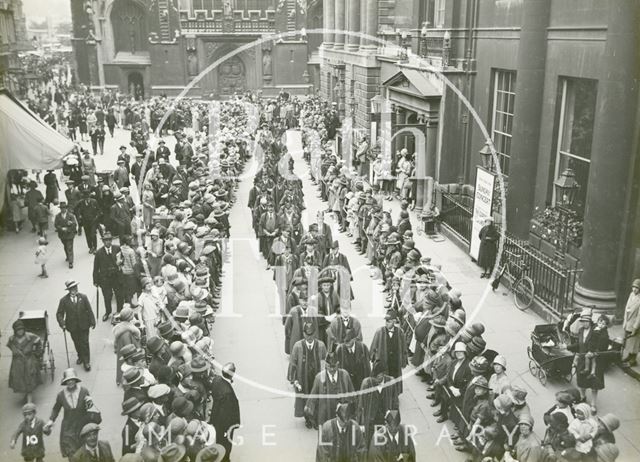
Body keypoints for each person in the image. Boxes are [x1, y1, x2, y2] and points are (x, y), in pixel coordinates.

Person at [44, 369, 100, 459]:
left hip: (82, 426)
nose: (70, 382)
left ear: (75, 380)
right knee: (72, 455)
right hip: (68, 429)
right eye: (68, 380)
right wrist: (51, 420)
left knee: (85, 452)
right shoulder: (61, 395)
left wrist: (93, 417)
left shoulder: (84, 391)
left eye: (72, 379)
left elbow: (91, 407)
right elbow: (56, 409)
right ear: (65, 382)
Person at [305, 352, 355, 428]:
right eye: (329, 366)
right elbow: (313, 398)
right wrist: (309, 412)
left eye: (334, 366)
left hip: (342, 416)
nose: (331, 369)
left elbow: (352, 395)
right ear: (325, 365)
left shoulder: (345, 375)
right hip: (325, 416)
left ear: (338, 364)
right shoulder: (319, 378)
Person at [56, 280, 96, 371]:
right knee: (77, 343)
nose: (75, 289)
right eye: (73, 288)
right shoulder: (63, 301)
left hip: (84, 325)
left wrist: (92, 321)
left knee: (85, 343)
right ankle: (80, 356)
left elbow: (89, 310)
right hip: (72, 326)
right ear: (69, 290)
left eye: (76, 287)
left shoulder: (83, 297)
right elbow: (59, 314)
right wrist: (62, 323)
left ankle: (86, 362)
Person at [369, 310, 408, 394]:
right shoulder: (379, 332)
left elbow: (404, 347)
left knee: (394, 378)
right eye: (386, 321)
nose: (386, 323)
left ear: (394, 321)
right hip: (383, 360)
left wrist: (404, 360)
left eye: (389, 321)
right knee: (384, 378)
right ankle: (384, 395)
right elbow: (374, 345)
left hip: (395, 361)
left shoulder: (400, 332)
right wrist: (373, 357)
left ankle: (394, 395)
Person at [209, 363, 240, 462]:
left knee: (220, 441)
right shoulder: (228, 394)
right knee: (226, 443)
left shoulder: (216, 380)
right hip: (225, 424)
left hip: (217, 418)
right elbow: (227, 413)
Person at [7, 320, 43, 403]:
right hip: (18, 363)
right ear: (15, 331)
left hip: (29, 361)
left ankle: (29, 400)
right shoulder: (12, 339)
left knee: (30, 378)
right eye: (18, 330)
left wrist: (37, 353)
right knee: (21, 380)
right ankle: (27, 394)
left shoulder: (30, 336)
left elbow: (39, 342)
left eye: (21, 329)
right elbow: (10, 346)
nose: (20, 331)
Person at [93, 232, 124, 321]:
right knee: (107, 297)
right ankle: (108, 312)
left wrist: (121, 262)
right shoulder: (99, 253)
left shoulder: (117, 248)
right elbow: (96, 268)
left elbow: (123, 260)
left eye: (109, 240)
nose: (108, 242)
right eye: (106, 240)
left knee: (119, 295)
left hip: (116, 277)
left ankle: (120, 312)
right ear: (103, 241)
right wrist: (95, 280)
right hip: (105, 279)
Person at [54, 201, 78, 268]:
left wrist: (69, 226)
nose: (63, 209)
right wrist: (61, 228)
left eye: (64, 208)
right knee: (65, 246)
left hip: (70, 234)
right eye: (61, 208)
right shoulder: (57, 216)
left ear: (66, 208)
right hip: (62, 235)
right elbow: (56, 225)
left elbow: (75, 224)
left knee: (69, 247)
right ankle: (67, 256)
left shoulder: (71, 215)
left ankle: (70, 262)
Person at [622, 278, 640, 367]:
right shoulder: (631, 295)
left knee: (634, 343)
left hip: (635, 324)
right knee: (628, 342)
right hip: (628, 321)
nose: (634, 289)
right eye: (633, 287)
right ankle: (629, 356)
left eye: (636, 288)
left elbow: (639, 316)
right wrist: (625, 321)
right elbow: (626, 309)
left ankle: (633, 360)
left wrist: (635, 327)